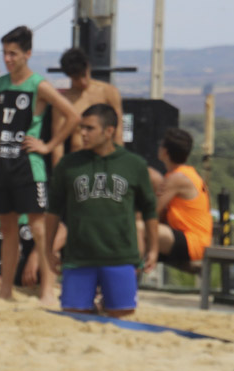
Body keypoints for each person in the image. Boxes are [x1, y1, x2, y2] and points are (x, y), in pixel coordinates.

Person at [0, 25, 81, 307]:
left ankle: (47, 290)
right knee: (7, 230)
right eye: (5, 53)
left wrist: (48, 144)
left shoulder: (38, 85)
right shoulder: (0, 84)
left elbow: (72, 116)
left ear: (28, 54)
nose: (8, 59)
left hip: (29, 167)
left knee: (39, 229)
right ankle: (5, 290)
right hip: (3, 165)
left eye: (14, 54)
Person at [47, 104, 157, 316]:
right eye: (82, 128)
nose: (83, 133)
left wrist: (153, 249)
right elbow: (53, 211)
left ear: (109, 131)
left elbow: (150, 210)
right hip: (79, 258)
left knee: (122, 314)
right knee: (73, 314)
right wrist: (47, 248)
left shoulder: (133, 164)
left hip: (120, 257)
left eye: (89, 128)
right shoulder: (68, 165)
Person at [150, 127, 213, 267]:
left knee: (140, 228)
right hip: (190, 238)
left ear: (165, 152)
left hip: (194, 242)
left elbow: (152, 212)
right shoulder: (184, 174)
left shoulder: (178, 178)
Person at [55, 47, 124, 164]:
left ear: (88, 67)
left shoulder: (108, 92)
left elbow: (118, 131)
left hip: (106, 161)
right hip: (78, 163)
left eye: (84, 75)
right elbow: (58, 142)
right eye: (77, 78)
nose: (83, 82)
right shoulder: (64, 101)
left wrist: (119, 163)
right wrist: (57, 173)